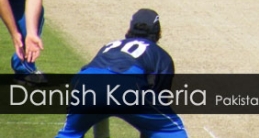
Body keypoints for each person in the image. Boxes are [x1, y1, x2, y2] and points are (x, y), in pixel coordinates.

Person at [55, 8, 188, 138]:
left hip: (84, 82)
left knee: (70, 132)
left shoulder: (111, 45)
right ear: (158, 32)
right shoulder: (161, 55)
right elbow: (158, 103)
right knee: (169, 129)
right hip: (125, 86)